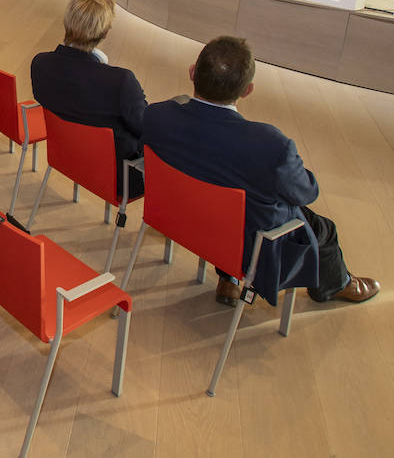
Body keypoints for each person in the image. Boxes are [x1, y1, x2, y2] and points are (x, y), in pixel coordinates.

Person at [141, 36, 379, 307]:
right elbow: (306, 191)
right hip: (246, 247)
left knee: (225, 192)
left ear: (192, 72)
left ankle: (228, 277)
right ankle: (336, 284)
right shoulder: (270, 146)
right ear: (247, 90)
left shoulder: (157, 116)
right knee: (321, 227)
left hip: (181, 221)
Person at [30, 0, 145, 199]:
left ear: (67, 22)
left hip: (65, 158)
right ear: (105, 32)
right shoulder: (121, 82)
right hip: (118, 177)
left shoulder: (40, 64)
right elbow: (144, 128)